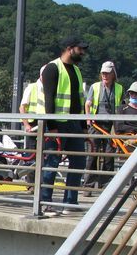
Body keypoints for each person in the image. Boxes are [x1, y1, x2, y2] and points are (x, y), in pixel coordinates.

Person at [39, 36, 88, 216]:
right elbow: (49, 100)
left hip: (74, 124)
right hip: (57, 124)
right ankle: (46, 202)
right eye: (80, 49)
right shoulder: (53, 68)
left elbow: (79, 100)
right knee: (52, 163)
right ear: (69, 48)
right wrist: (52, 127)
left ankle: (70, 202)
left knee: (78, 162)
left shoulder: (76, 70)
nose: (82, 52)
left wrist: (83, 126)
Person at [81, 61, 123, 195]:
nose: (105, 75)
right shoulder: (95, 87)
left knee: (109, 154)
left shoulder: (119, 88)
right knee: (92, 154)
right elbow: (88, 104)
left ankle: (106, 186)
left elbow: (121, 108)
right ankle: (88, 185)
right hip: (95, 123)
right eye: (103, 73)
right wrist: (88, 119)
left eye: (107, 73)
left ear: (112, 74)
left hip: (111, 125)